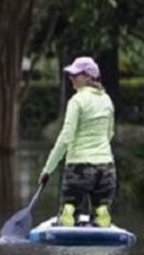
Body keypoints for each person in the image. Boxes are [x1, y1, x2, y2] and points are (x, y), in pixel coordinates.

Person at [39, 56, 116, 228]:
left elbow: (66, 137)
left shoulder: (77, 100)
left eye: (76, 74)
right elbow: (110, 133)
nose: (71, 78)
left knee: (69, 206)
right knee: (101, 205)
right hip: (106, 168)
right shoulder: (107, 100)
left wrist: (47, 169)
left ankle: (68, 215)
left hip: (79, 167)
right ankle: (102, 214)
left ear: (89, 77)